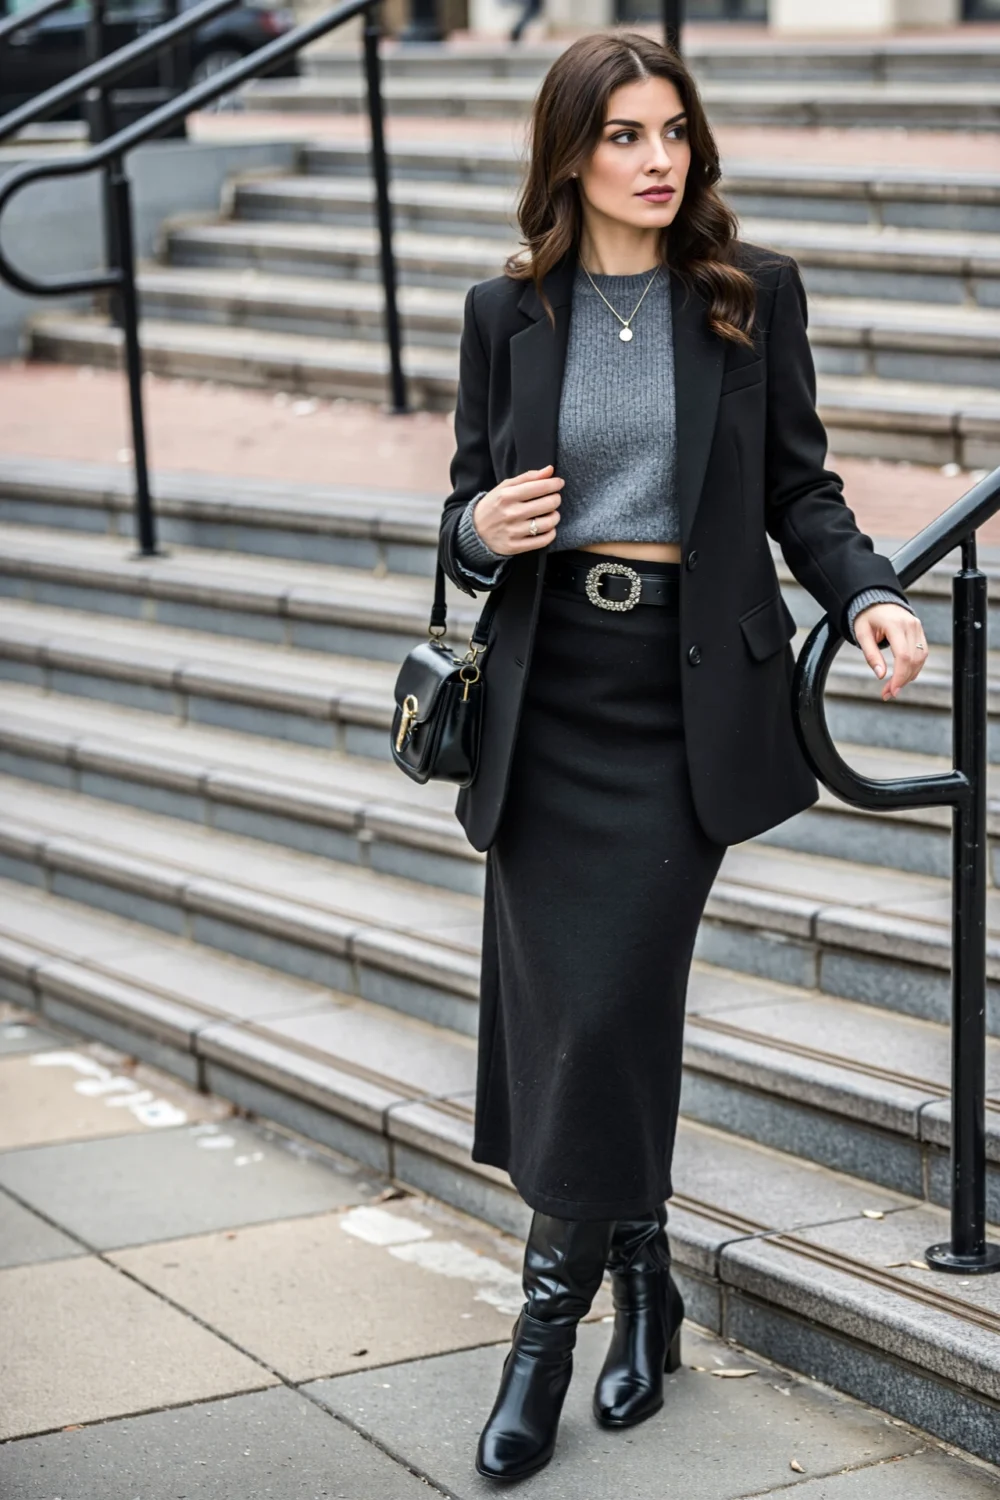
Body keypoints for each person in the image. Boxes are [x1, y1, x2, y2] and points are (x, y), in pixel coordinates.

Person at [436, 30, 929, 1484]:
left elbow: (799, 489)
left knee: (605, 1006)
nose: (661, 161)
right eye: (628, 137)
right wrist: (478, 532)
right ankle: (641, 1279)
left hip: (680, 700)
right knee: (602, 1020)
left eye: (676, 133)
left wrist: (873, 592)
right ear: (571, 154)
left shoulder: (748, 295)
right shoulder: (506, 309)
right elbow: (463, 500)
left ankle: (543, 1337)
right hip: (551, 699)